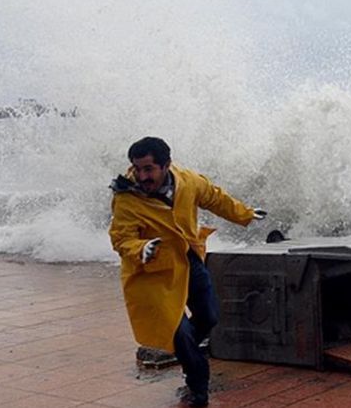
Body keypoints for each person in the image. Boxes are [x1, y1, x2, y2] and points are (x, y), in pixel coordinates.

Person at [108, 137, 265, 407]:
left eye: (148, 169)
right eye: (137, 168)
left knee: (209, 316)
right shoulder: (126, 198)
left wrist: (245, 214)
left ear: (166, 165)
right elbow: (121, 238)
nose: (141, 176)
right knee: (178, 332)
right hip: (152, 273)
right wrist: (140, 248)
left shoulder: (188, 181)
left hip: (188, 259)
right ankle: (197, 387)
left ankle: (183, 351)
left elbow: (215, 198)